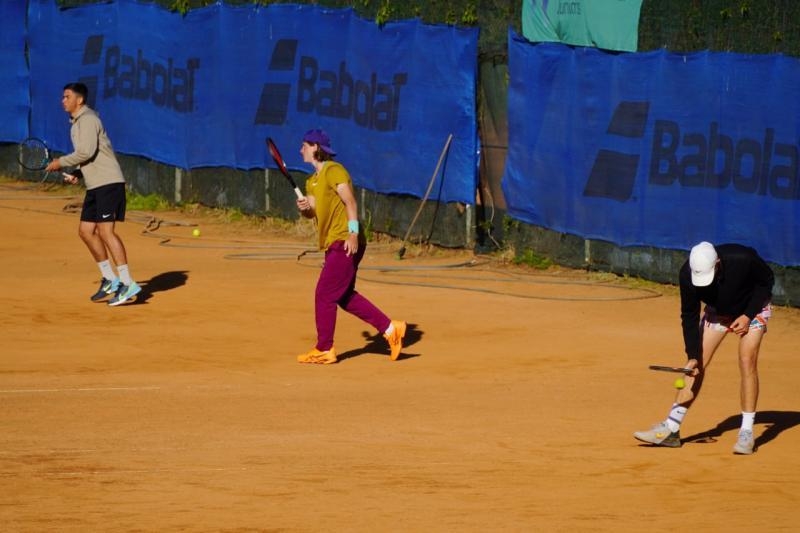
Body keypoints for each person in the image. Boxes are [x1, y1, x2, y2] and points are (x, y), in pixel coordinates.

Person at [634, 242, 774, 454]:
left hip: (752, 308)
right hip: (718, 311)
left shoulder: (742, 259)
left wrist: (747, 316)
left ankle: (746, 433)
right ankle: (671, 429)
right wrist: (692, 355)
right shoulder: (687, 274)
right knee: (695, 365)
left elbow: (766, 281)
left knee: (747, 360)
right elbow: (689, 315)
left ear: (718, 264)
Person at [294, 128, 406, 364]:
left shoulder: (334, 170)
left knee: (324, 294)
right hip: (333, 243)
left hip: (344, 240)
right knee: (343, 296)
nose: (300, 149)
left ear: (315, 147)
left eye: (304, 145)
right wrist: (305, 208)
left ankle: (324, 348)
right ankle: (391, 329)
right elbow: (313, 210)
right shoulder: (312, 181)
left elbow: (350, 202)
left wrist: (353, 234)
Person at [45, 82, 141, 306]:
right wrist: (78, 173)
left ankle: (127, 282)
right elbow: (91, 155)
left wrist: (60, 162)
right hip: (95, 185)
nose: (63, 100)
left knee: (106, 232)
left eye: (67, 97)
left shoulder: (88, 119)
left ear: (79, 100)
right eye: (63, 97)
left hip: (109, 183)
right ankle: (110, 279)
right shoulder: (76, 123)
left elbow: (86, 152)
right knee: (86, 231)